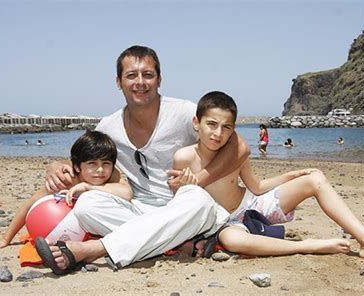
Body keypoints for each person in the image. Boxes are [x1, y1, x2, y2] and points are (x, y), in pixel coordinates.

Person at [35, 45, 250, 275]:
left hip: (185, 206)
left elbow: (240, 147)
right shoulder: (108, 127)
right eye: (131, 75)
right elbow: (84, 158)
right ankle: (179, 242)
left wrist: (199, 179)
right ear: (118, 82)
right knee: (87, 206)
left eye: (148, 74)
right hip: (140, 208)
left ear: (159, 80)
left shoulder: (184, 112)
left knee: (198, 200)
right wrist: (57, 165)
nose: (140, 82)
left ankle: (93, 249)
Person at [173, 91, 364, 266]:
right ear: (197, 123)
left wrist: (292, 175)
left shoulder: (234, 153)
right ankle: (308, 246)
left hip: (253, 205)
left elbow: (256, 187)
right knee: (234, 242)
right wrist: (184, 187)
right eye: (211, 124)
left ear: (233, 129)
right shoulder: (183, 157)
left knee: (315, 178)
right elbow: (182, 206)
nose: (218, 133)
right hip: (224, 222)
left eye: (226, 127)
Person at [0, 130, 132, 251]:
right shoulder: (67, 180)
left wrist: (88, 188)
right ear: (77, 166)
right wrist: (5, 239)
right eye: (92, 163)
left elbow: (127, 193)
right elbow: (29, 205)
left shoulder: (111, 174)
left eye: (106, 163)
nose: (100, 170)